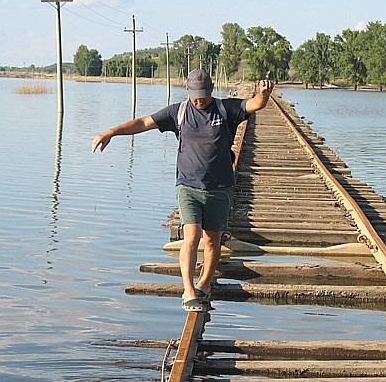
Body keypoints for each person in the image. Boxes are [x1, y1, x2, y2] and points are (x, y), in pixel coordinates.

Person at [92, 69, 274, 311]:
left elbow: (253, 105)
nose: (199, 100)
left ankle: (205, 284)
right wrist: (112, 132)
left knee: (212, 241)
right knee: (191, 237)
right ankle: (188, 291)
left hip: (220, 187)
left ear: (211, 90)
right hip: (188, 185)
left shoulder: (225, 109)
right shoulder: (177, 112)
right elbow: (144, 122)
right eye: (195, 95)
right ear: (187, 90)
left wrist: (264, 94)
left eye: (203, 95)